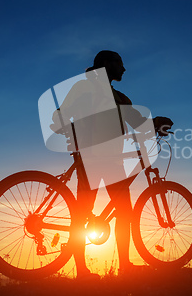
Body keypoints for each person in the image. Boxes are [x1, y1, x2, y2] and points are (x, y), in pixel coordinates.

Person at [53, 50, 173, 278]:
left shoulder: (120, 98)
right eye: (120, 64)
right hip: (91, 158)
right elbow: (61, 115)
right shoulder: (83, 89)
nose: (124, 69)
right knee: (90, 213)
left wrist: (156, 123)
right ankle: (86, 271)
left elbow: (138, 121)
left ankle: (120, 267)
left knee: (120, 211)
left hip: (111, 159)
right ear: (107, 64)